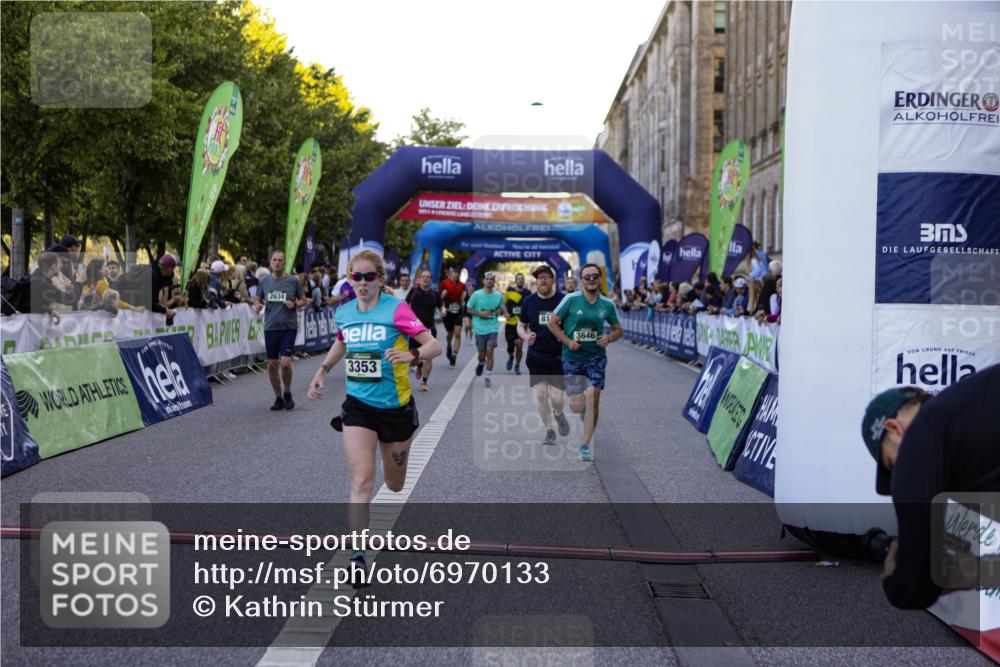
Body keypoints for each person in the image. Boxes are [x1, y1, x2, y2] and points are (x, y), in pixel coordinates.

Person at [308, 250, 441, 578]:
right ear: (349, 280)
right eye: (357, 277)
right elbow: (342, 341)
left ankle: (392, 463)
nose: (363, 283)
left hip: (395, 408)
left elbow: (433, 346)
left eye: (370, 277)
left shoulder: (396, 309)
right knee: (361, 480)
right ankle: (357, 556)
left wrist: (411, 355)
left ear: (381, 279)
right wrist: (323, 369)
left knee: (394, 484)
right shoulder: (345, 313)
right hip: (358, 406)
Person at [860, 364, 1000, 609]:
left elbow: (912, 589)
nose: (898, 472)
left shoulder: (919, 438)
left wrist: (897, 571)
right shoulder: (972, 404)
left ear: (894, 428)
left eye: (891, 463)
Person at [547, 263, 623, 462]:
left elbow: (618, 330)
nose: (591, 279)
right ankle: (581, 413)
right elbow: (552, 322)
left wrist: (610, 338)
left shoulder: (607, 304)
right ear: (582, 280)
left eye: (595, 276)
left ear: (599, 279)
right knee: (576, 405)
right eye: (587, 276)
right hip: (572, 357)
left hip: (596, 356)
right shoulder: (570, 300)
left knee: (593, 395)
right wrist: (568, 342)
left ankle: (585, 445)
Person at [517, 264, 571, 445]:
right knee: (541, 395)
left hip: (558, 356)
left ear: (553, 280)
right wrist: (526, 336)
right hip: (536, 355)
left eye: (547, 276)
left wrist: (564, 336)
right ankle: (549, 431)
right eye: (540, 277)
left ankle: (558, 413)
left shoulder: (564, 301)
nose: (543, 280)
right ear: (536, 281)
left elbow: (573, 326)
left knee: (556, 398)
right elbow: (520, 325)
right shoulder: (528, 302)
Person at [253, 250, 306, 411]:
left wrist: (295, 304)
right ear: (270, 262)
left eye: (280, 260)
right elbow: (257, 298)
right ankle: (278, 397)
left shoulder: (293, 281)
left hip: (288, 327)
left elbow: (304, 299)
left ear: (284, 263)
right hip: (270, 327)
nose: (277, 262)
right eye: (274, 260)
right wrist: (257, 304)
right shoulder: (264, 281)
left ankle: (288, 392)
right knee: (271, 365)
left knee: (285, 363)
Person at [466, 271, 505, 388]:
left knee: (490, 351)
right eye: (487, 279)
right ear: (483, 281)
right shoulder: (476, 295)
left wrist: (500, 311)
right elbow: (468, 309)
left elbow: (502, 309)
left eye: (491, 279)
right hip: (479, 329)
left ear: (494, 282)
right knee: (481, 354)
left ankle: (488, 376)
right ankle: (481, 362)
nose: (489, 281)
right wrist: (479, 314)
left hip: (493, 328)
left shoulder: (498, 296)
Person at [405, 268, 441, 391]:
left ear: (431, 279)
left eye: (428, 277)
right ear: (419, 279)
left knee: (429, 357)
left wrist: (444, 310)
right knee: (413, 358)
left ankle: (424, 382)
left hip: (429, 329)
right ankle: (418, 365)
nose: (425, 279)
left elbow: (441, 306)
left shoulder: (435, 293)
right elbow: (405, 305)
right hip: (414, 329)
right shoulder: (413, 291)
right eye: (423, 277)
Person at [503, 273, 531, 375]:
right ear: (515, 281)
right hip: (510, 323)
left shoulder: (528, 293)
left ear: (524, 281)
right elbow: (504, 303)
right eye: (518, 279)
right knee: (510, 345)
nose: (520, 281)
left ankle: (517, 365)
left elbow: (530, 307)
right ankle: (511, 356)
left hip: (522, 323)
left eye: (522, 279)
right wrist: (506, 312)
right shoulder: (509, 291)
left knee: (519, 345)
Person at [439, 266, 465, 367]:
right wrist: (442, 296)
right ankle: (449, 345)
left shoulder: (462, 285)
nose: (457, 275)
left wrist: (463, 300)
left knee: (457, 333)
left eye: (458, 273)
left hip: (458, 311)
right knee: (450, 333)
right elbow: (438, 298)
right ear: (451, 273)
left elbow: (464, 296)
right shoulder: (444, 283)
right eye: (455, 272)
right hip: (448, 311)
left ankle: (454, 355)